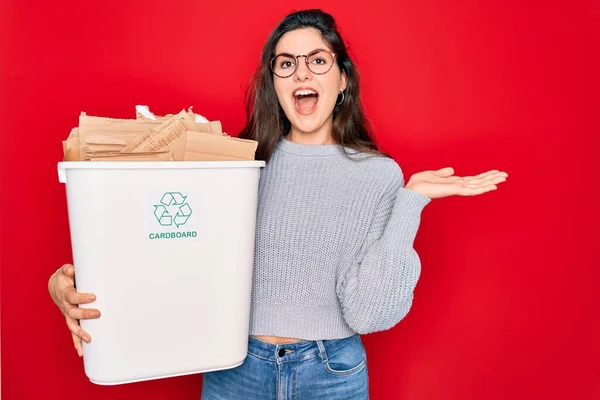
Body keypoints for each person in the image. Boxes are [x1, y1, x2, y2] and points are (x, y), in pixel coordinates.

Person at [48, 9, 508, 399]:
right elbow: (163, 248)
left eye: (317, 60)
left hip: (332, 374)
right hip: (234, 367)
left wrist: (410, 203)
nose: (302, 73)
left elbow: (370, 312)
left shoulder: (378, 175)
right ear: (273, 81)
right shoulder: (236, 164)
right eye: (285, 63)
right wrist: (64, 283)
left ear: (342, 77)